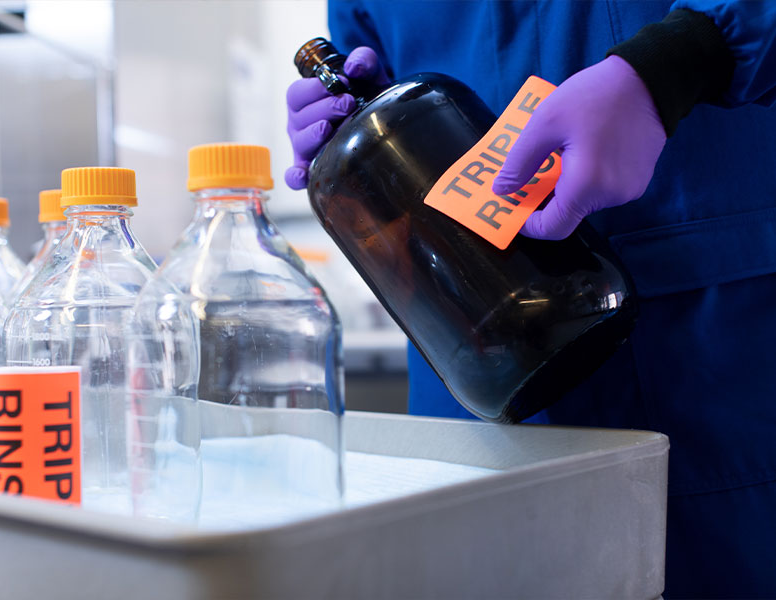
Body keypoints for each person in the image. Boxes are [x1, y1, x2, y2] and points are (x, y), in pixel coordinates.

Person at [285, 1, 776, 597]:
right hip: (474, 379)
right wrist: (373, 153)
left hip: (710, 348)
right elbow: (379, 72)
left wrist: (677, 60)